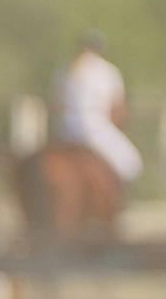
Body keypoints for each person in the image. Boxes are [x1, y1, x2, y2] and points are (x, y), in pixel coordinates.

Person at [52, 31, 142, 184]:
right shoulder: (107, 71)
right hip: (94, 126)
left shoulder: (64, 69)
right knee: (132, 163)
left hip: (64, 128)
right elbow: (116, 108)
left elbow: (54, 104)